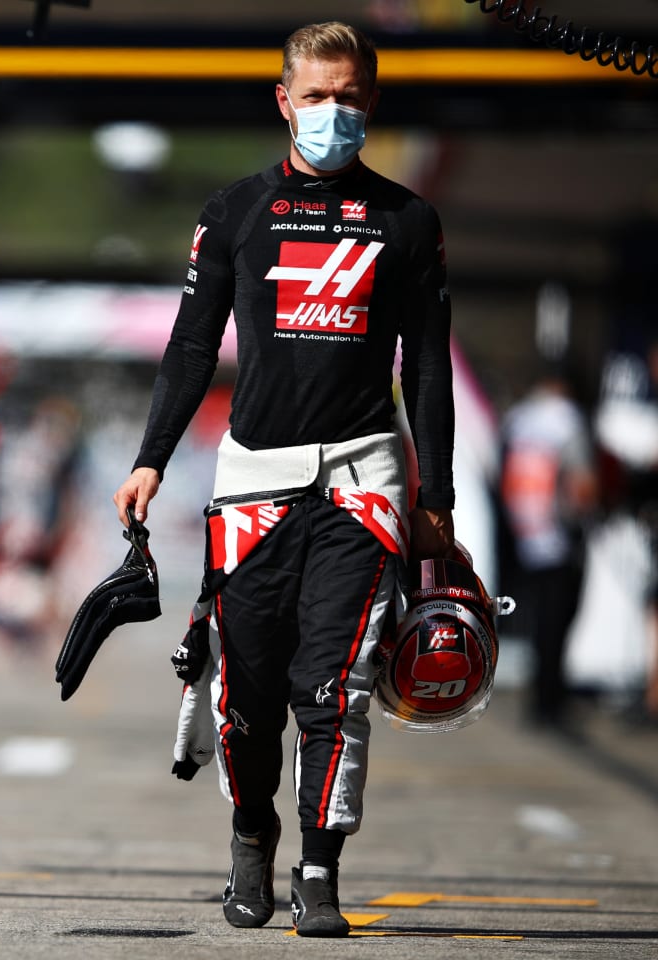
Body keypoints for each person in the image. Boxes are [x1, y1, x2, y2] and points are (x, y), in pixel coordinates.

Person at [112, 22, 455, 938]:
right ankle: (251, 836)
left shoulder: (407, 221)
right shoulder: (235, 212)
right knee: (247, 688)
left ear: (371, 101)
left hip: (361, 480)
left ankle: (320, 867)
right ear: (284, 101)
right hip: (254, 477)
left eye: (349, 96)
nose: (333, 113)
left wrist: (437, 503)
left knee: (333, 684)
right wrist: (152, 456)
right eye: (317, 96)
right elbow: (191, 347)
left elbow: (427, 368)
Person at [499, 366, 599, 728]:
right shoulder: (568, 420)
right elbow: (582, 482)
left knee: (535, 617)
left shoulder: (519, 418)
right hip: (559, 532)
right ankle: (549, 699)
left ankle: (539, 694)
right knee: (558, 618)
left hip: (522, 528)